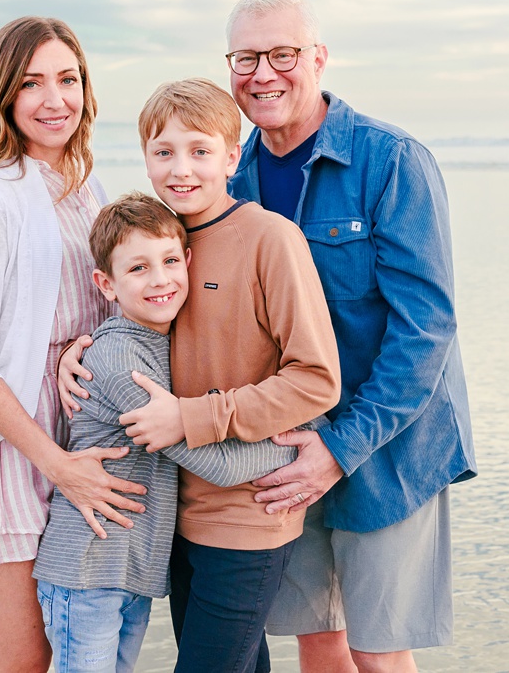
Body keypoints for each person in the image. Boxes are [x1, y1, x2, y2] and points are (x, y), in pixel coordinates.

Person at [223, 0, 478, 673]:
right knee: (318, 635)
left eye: (283, 53)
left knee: (377, 649)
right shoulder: (229, 177)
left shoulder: (390, 160)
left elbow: (426, 331)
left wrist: (338, 449)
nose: (264, 73)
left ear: (319, 58)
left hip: (389, 442)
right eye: (247, 57)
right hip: (286, 444)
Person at [64, 78, 341, 672]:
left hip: (248, 513)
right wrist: (78, 348)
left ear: (232, 157)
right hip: (175, 516)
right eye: (163, 152)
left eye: (200, 151)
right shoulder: (165, 239)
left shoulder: (271, 238)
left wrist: (191, 417)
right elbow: (130, 318)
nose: (180, 169)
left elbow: (316, 379)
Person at [0, 16, 149, 673]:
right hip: (14, 455)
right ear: (4, 95)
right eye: (31, 83)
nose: (54, 99)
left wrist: (72, 354)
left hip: (80, 441)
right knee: (23, 658)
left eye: (68, 79)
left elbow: (100, 301)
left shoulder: (86, 187)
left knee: (80, 648)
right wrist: (55, 464)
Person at [33, 192, 307, 673]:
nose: (160, 280)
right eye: (138, 269)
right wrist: (304, 445)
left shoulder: (167, 342)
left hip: (129, 572)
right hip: (87, 570)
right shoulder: (122, 363)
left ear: (189, 262)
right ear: (106, 284)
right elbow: (216, 464)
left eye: (169, 261)